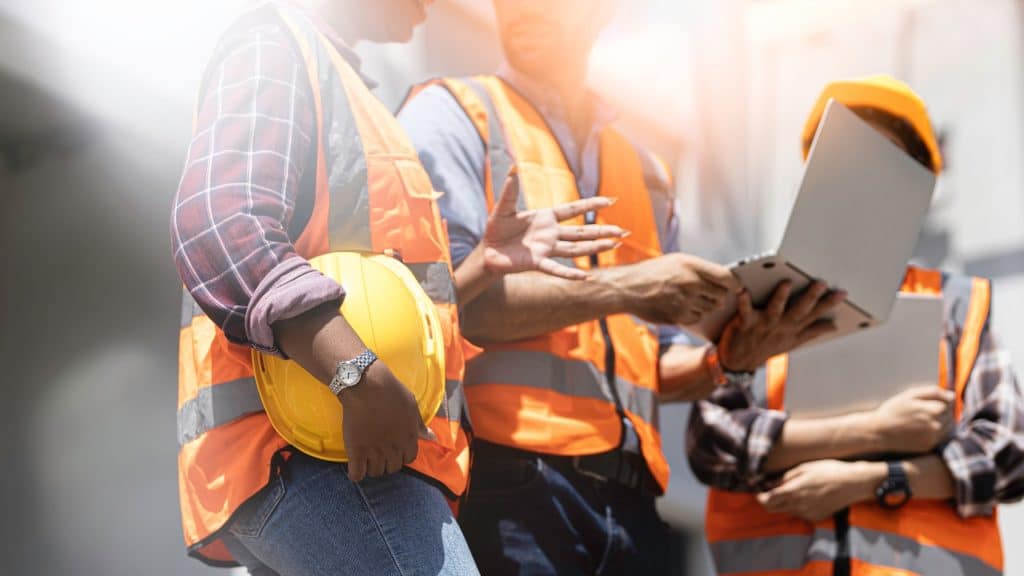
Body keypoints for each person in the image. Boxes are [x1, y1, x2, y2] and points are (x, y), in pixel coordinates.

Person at [171, 0, 627, 574]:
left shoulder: (347, 87)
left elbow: (378, 298)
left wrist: (481, 266)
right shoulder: (275, 46)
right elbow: (219, 221)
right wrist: (355, 374)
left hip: (344, 448)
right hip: (317, 449)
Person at [398, 1, 841, 573]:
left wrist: (729, 361)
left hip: (631, 505)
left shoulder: (645, 172)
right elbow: (451, 307)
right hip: (510, 488)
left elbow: (649, 364)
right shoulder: (453, 115)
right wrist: (626, 288)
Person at [688, 76, 1024, 576]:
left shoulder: (958, 304)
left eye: (885, 160)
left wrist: (867, 480)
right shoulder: (761, 298)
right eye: (846, 157)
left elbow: (1006, 455)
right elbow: (712, 443)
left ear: (918, 184)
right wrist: (879, 430)